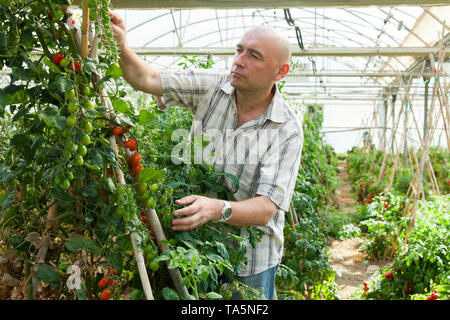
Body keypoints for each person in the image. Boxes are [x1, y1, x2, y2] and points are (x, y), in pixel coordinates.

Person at [109, 12, 303, 300]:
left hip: (250, 260)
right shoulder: (212, 86)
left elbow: (265, 208)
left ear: (280, 72)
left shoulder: (286, 129)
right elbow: (145, 77)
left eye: (254, 56)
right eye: (239, 50)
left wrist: (217, 209)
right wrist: (122, 46)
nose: (239, 60)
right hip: (195, 245)